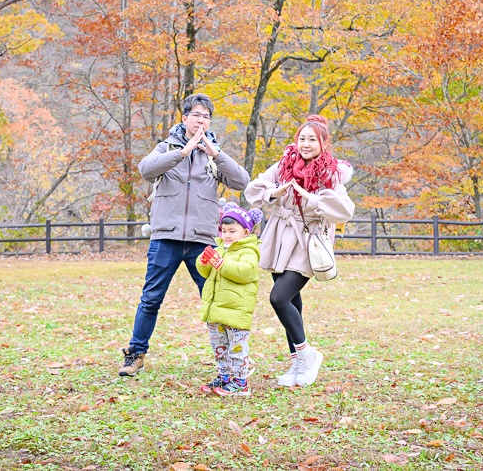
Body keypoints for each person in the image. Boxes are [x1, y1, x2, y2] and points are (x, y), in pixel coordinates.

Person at [119, 94, 251, 377]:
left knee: (217, 298)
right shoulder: (166, 147)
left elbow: (242, 182)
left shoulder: (214, 153)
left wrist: (214, 153)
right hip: (165, 237)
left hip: (202, 240)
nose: (200, 120)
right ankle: (136, 354)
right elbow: (145, 169)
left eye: (206, 116)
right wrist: (182, 152)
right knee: (151, 298)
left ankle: (232, 359)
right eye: (196, 115)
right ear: (185, 118)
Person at [244, 115, 354, 387]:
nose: (306, 144)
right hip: (281, 236)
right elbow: (254, 188)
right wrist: (274, 191)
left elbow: (345, 209)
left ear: (323, 143)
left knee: (279, 297)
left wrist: (312, 198)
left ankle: (308, 355)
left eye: (312, 140)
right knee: (292, 302)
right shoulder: (284, 165)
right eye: (302, 138)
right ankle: (298, 363)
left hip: (308, 239)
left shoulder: (331, 171)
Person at [195, 203, 264, 396]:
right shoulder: (221, 248)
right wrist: (204, 261)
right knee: (220, 347)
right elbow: (206, 271)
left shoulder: (249, 252)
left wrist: (220, 263)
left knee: (236, 347)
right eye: (224, 230)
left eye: (232, 231)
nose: (227, 235)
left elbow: (245, 272)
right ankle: (224, 376)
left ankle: (240, 382)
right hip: (216, 309)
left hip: (236, 311)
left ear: (246, 231)